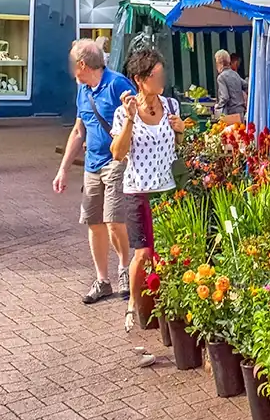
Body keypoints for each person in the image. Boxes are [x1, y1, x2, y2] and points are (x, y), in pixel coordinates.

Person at [111, 45, 184, 366]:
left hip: (169, 191)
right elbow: (117, 153)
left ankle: (168, 309)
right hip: (139, 190)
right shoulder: (123, 111)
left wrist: (180, 133)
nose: (162, 78)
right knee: (142, 253)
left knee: (169, 253)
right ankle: (139, 309)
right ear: (140, 80)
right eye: (156, 74)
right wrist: (128, 121)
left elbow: (176, 148)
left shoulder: (170, 105)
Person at [54, 38, 136, 304]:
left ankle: (125, 268)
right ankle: (103, 280)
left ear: (81, 64)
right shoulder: (83, 91)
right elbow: (79, 131)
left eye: (71, 62)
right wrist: (63, 169)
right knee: (94, 222)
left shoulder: (117, 84)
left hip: (116, 161)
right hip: (92, 164)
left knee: (114, 221)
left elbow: (135, 121)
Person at [212, 48, 247, 118]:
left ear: (220, 63)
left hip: (231, 113)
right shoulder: (235, 74)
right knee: (241, 129)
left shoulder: (221, 77)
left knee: (231, 129)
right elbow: (246, 85)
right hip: (241, 112)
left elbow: (225, 97)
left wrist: (217, 106)